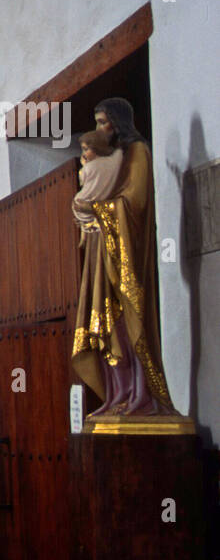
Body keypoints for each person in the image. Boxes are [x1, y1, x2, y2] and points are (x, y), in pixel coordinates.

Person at [72, 97, 178, 417]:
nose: (99, 129)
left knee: (128, 322)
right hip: (102, 251)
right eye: (97, 122)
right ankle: (118, 394)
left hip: (126, 255)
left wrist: (98, 209)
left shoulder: (138, 152)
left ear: (119, 122)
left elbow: (135, 201)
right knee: (106, 327)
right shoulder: (108, 158)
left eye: (104, 122)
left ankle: (141, 396)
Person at [71, 128, 122, 246]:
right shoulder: (113, 160)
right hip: (96, 208)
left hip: (86, 204)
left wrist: (84, 166)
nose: (83, 154)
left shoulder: (89, 168)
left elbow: (83, 182)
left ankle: (86, 232)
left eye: (85, 149)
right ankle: (86, 230)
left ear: (96, 147)